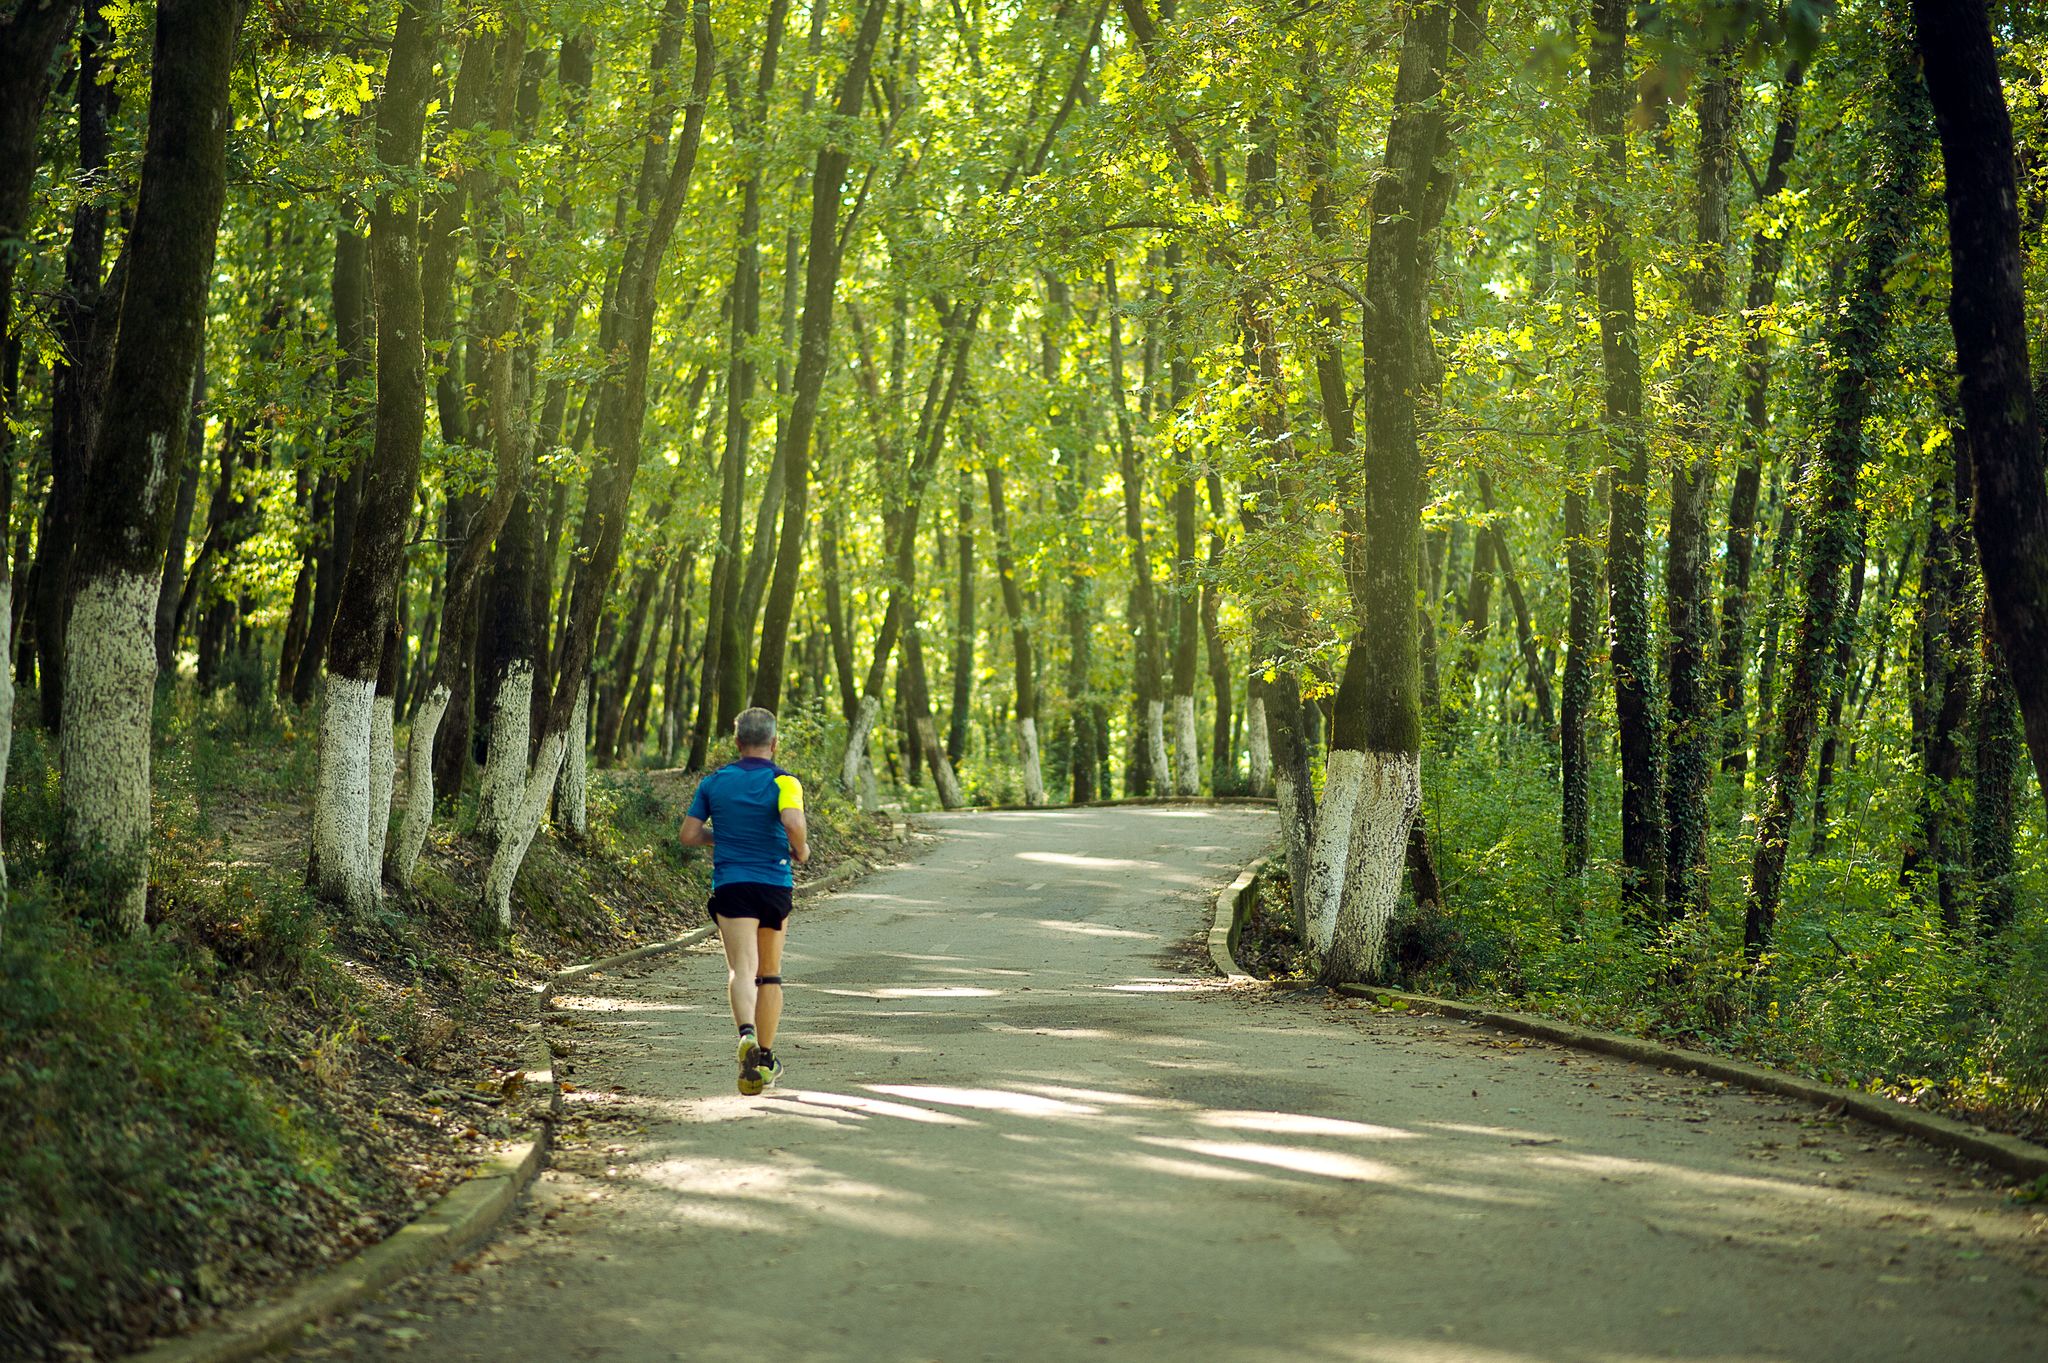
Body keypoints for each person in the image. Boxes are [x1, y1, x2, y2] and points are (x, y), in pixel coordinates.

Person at [680, 706, 809, 1095]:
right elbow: (792, 821)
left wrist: (724, 839)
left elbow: (688, 835)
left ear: (736, 743)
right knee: (770, 972)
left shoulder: (714, 782)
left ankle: (746, 1033)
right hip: (773, 884)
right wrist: (800, 849)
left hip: (732, 884)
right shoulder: (785, 781)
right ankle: (765, 1058)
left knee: (741, 969)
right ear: (774, 742)